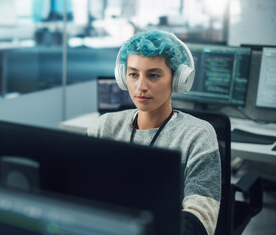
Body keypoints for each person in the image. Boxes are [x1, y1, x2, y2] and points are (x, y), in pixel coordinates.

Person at [87, 30, 221, 235]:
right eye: (133, 74)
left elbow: (200, 220)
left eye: (153, 75)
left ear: (177, 79)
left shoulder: (198, 135)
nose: (141, 86)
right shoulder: (104, 127)